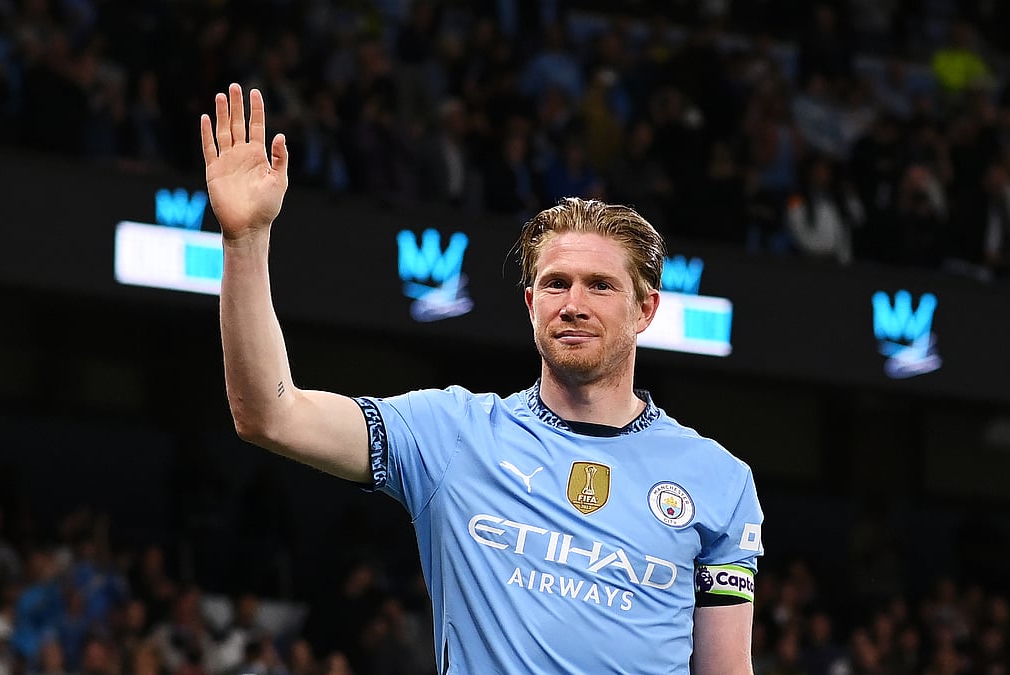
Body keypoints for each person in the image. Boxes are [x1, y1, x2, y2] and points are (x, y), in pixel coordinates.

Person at [201, 83, 765, 674]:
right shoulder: (451, 433)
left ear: (645, 310)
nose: (573, 305)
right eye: (556, 283)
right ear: (531, 303)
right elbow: (270, 414)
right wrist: (246, 241)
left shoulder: (720, 481)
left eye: (600, 286)